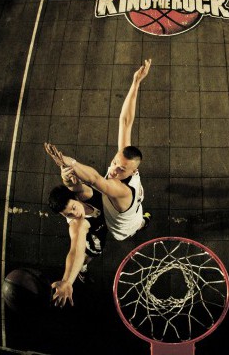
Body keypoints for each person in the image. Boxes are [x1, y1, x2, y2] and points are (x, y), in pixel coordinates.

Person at [44, 59, 152, 308]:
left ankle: (143, 222)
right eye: (114, 162)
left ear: (134, 171)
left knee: (139, 223)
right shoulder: (78, 220)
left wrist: (69, 162)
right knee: (89, 248)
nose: (113, 169)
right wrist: (136, 83)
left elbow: (93, 178)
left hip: (123, 226)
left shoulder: (120, 189)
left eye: (121, 168)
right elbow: (125, 121)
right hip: (112, 211)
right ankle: (142, 220)